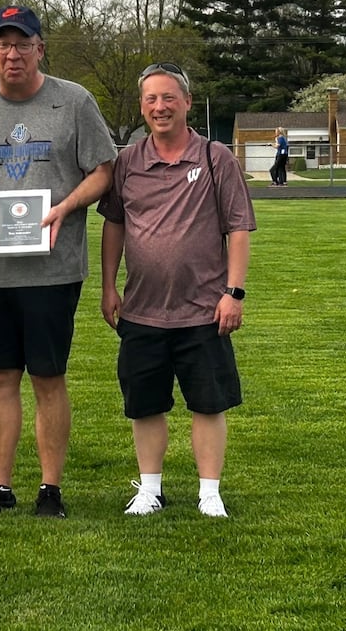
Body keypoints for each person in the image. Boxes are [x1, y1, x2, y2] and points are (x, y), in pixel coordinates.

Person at [0, 5, 116, 519]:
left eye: (24, 43)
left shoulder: (73, 101)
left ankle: (51, 489)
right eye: (4, 44)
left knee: (48, 376)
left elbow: (103, 170)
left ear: (40, 48)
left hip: (54, 266)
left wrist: (67, 206)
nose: (14, 53)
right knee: (0, 377)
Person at [98, 62, 256, 518]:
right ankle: (151, 490)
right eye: (151, 99)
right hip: (142, 310)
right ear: (142, 106)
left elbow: (239, 228)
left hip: (205, 310)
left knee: (208, 404)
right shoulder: (128, 160)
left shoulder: (215, 157)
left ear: (187, 102)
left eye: (169, 97)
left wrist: (234, 292)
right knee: (145, 404)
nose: (160, 106)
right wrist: (109, 286)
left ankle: (210, 492)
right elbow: (114, 225)